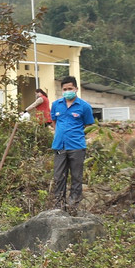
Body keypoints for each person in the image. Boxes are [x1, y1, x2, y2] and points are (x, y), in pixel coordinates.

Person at [49, 76, 95, 211]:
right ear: (61, 90)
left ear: (76, 89)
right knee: (59, 176)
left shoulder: (84, 107)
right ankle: (59, 206)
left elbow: (89, 124)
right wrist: (60, 133)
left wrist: (76, 134)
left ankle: (73, 205)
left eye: (70, 88)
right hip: (59, 146)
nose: (67, 91)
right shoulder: (56, 104)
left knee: (76, 176)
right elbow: (54, 121)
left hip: (77, 146)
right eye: (65, 89)